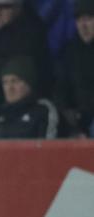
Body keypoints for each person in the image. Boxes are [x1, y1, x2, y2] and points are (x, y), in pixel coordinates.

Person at [0, 55, 58, 139]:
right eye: (5, 82)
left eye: (15, 81)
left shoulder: (42, 110)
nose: (9, 88)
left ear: (29, 84)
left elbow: (48, 147)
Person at [56, 0, 94, 137]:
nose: (83, 26)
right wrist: (69, 116)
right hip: (77, 119)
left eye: (88, 19)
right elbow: (61, 88)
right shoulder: (70, 52)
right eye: (79, 20)